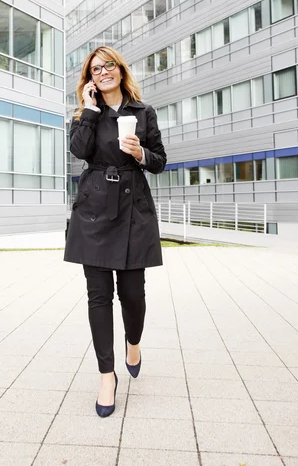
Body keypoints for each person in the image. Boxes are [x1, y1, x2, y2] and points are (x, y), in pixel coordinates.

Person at [64, 46, 166, 417]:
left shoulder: (143, 112)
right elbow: (79, 152)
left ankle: (133, 342)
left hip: (132, 207)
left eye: (108, 65)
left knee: (133, 294)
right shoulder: (85, 114)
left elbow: (159, 161)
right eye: (95, 69)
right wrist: (90, 110)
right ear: (90, 78)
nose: (102, 72)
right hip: (93, 208)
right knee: (97, 295)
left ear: (120, 70)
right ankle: (106, 376)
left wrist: (140, 153)